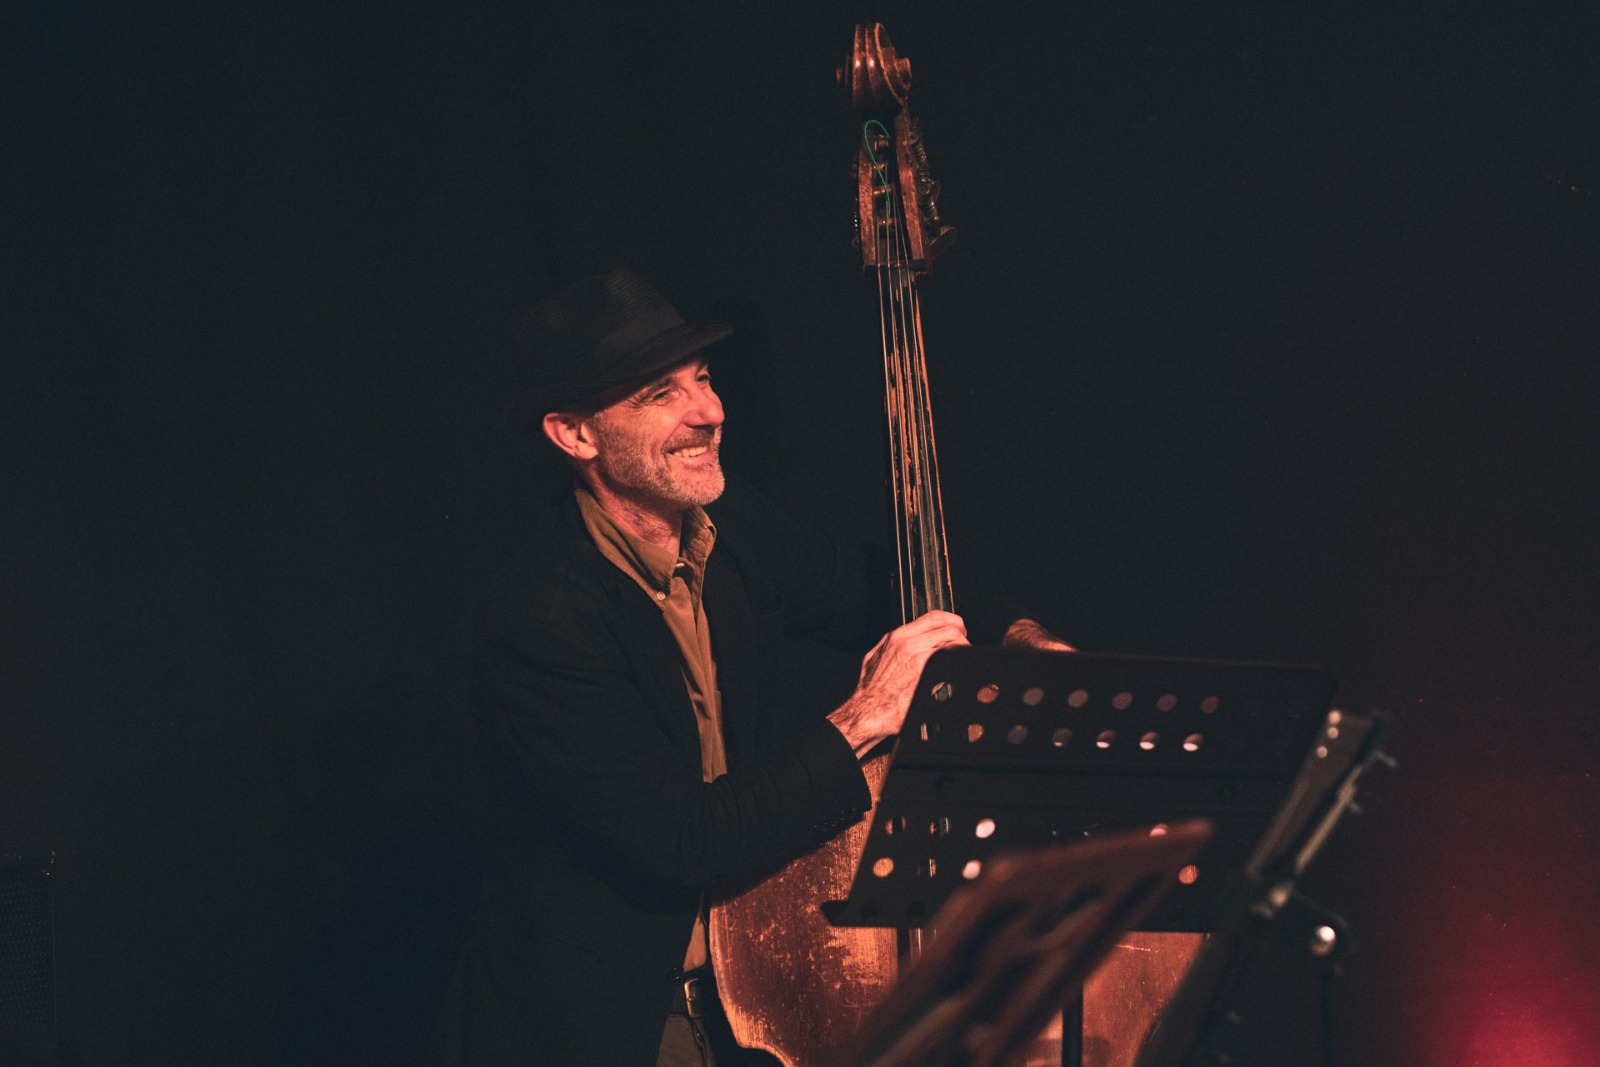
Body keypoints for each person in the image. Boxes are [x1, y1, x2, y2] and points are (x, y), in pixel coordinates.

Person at [436, 267, 1068, 1067]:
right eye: (661, 394)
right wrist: (865, 715)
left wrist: (1018, 636)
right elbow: (686, 839)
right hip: (620, 1012)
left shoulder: (725, 520)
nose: (711, 411)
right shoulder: (541, 618)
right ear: (575, 435)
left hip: (745, 972)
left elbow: (863, 580)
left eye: (702, 378)